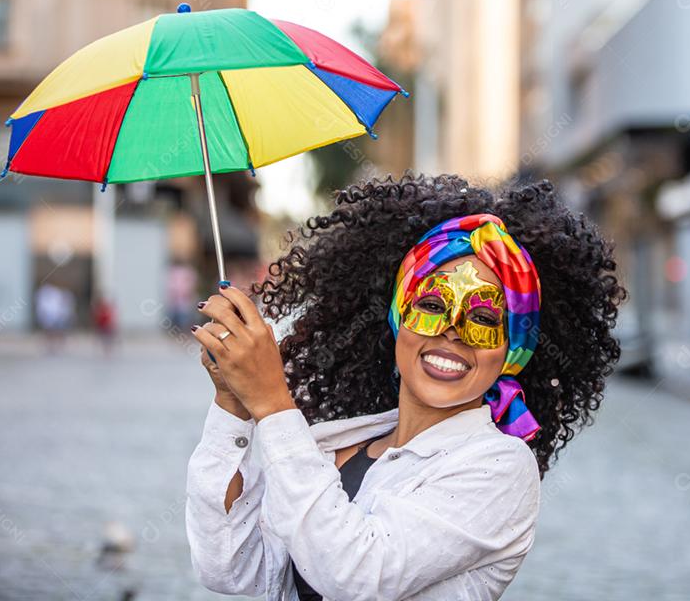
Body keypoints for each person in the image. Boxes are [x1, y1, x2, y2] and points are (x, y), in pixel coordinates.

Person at [184, 174, 625, 600]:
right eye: (432, 304)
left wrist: (273, 403)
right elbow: (231, 567)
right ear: (398, 316)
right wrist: (233, 405)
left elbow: (358, 575)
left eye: (485, 319)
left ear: (514, 350)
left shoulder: (499, 466)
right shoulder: (338, 444)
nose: (452, 331)